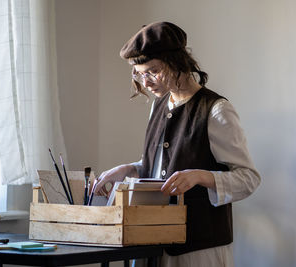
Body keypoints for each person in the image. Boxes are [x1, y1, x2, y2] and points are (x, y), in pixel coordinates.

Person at [94, 21, 261, 267]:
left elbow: (248, 178)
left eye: (152, 71)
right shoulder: (158, 106)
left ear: (177, 62)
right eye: (139, 74)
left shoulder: (215, 110)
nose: (146, 82)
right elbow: (165, 165)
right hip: (152, 239)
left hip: (197, 249)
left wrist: (201, 176)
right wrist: (131, 169)